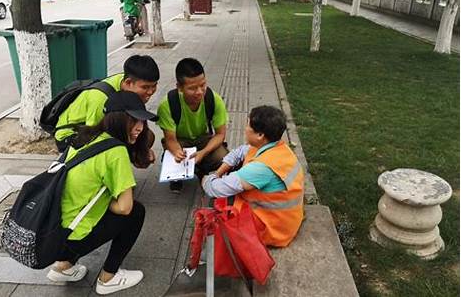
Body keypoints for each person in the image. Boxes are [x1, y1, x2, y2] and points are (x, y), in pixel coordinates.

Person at [46, 91, 158, 295]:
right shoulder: (116, 152)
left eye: (142, 122)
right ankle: (109, 278)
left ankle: (63, 267)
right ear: (117, 119)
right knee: (135, 212)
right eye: (133, 121)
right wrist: (104, 201)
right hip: (73, 238)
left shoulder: (85, 135)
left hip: (52, 232)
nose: (140, 128)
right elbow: (125, 208)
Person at [201, 106, 304, 247]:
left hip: (272, 228)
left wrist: (208, 179)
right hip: (285, 218)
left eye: (248, 124)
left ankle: (215, 252)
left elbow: (216, 189)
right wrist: (220, 171)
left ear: (260, 135)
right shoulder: (276, 147)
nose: (245, 128)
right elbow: (240, 152)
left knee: (212, 203)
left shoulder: (261, 168)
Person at [54, 54, 159, 167]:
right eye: (145, 87)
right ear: (128, 82)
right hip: (73, 136)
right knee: (116, 147)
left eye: (154, 86)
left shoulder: (127, 82)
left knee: (147, 136)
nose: (150, 92)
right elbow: (92, 137)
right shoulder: (100, 98)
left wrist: (142, 150)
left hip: (97, 130)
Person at [157, 58, 229, 193]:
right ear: (179, 87)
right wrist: (177, 152)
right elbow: (170, 139)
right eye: (192, 88)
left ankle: (202, 167)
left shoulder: (213, 99)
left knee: (222, 156)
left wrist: (203, 152)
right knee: (174, 158)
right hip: (181, 141)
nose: (199, 92)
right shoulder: (167, 104)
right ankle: (176, 177)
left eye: (203, 85)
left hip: (203, 139)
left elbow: (220, 134)